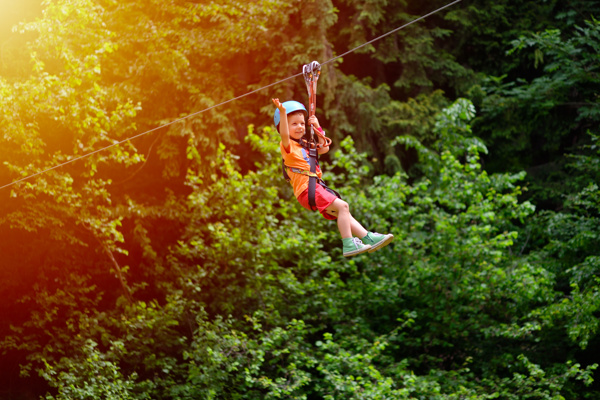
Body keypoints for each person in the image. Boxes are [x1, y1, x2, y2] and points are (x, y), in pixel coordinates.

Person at [272, 98, 394, 257]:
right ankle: (349, 244)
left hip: (314, 188)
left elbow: (324, 148)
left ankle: (368, 237)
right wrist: (282, 112)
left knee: (343, 212)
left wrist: (316, 127)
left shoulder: (305, 145)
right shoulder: (288, 147)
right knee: (343, 206)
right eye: (294, 124)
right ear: (284, 126)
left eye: (302, 123)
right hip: (307, 189)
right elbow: (284, 134)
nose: (300, 127)